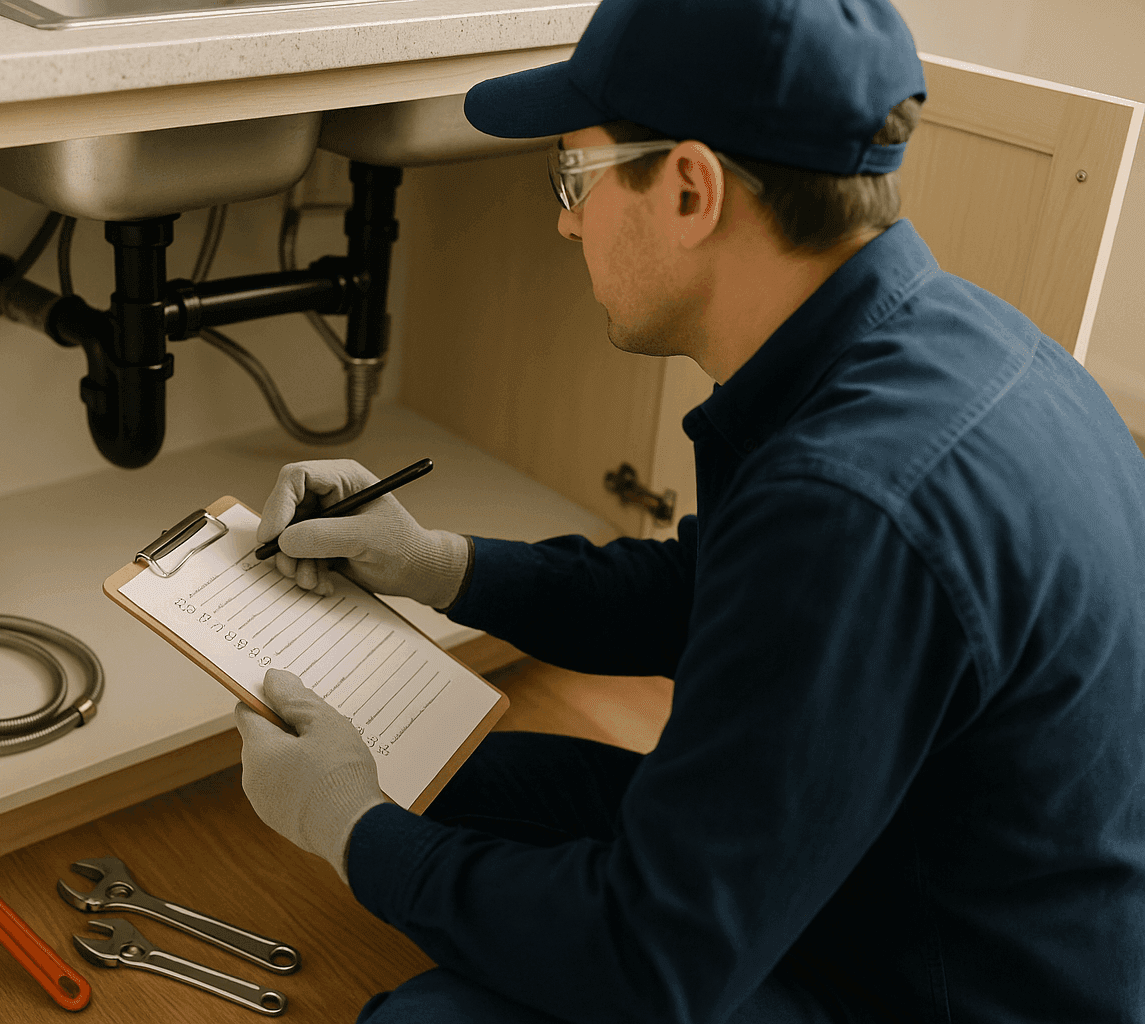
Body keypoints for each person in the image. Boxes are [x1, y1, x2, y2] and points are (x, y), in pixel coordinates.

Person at [232, 0, 1145, 1019]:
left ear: (689, 187)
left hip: (939, 981)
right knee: (444, 773)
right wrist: (435, 562)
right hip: (907, 861)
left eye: (574, 176)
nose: (567, 219)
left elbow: (647, 960)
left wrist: (348, 827)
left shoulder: (852, 498)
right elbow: (718, 593)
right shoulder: (949, 341)